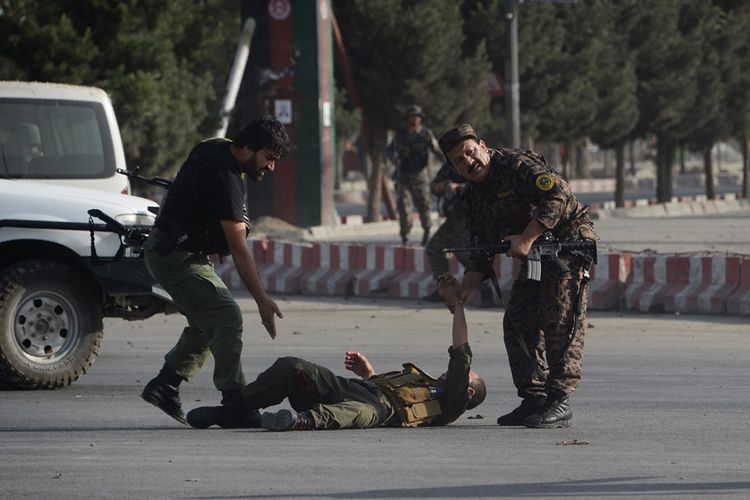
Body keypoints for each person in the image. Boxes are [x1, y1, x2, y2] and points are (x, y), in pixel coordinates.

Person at [437, 124, 598, 429]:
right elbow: (480, 248)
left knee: (560, 316)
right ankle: (534, 397)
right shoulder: (475, 197)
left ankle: (559, 399)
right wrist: (464, 291)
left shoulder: (515, 164)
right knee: (517, 318)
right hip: (538, 256)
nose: (468, 161)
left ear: (482, 146)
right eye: (459, 160)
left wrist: (526, 238)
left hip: (568, 242)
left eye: (470, 152)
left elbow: (557, 195)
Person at [185, 274, 486, 431]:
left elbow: (461, 351)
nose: (454, 373)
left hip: (380, 411)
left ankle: (300, 421)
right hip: (355, 388)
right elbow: (380, 385)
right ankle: (235, 411)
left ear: (468, 393)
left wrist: (457, 304)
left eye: (465, 377)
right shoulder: (421, 380)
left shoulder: (452, 404)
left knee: (358, 414)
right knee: (292, 366)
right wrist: (368, 372)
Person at [141, 114, 291, 425]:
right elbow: (239, 247)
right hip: (175, 256)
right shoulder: (226, 176)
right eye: (269, 157)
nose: (271, 167)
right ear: (248, 148)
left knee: (206, 323)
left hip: (172, 249)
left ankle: (165, 385)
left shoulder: (216, 147)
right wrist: (263, 300)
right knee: (226, 315)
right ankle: (235, 401)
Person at [422, 162, 493, 306]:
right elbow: (434, 186)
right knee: (434, 248)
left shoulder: (476, 165)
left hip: (471, 220)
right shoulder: (449, 166)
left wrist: (458, 187)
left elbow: (484, 187)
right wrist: (442, 186)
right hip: (453, 219)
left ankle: (487, 293)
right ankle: (444, 288)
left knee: (469, 257)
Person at [386, 105, 444, 246]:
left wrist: (449, 163)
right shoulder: (400, 135)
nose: (414, 120)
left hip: (421, 177)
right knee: (403, 208)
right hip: (403, 176)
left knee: (424, 205)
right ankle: (405, 235)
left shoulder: (425, 134)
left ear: (420, 119)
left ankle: (426, 232)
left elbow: (437, 150)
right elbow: (389, 150)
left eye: (417, 117)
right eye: (412, 117)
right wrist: (392, 158)